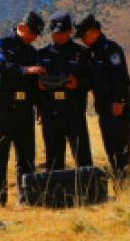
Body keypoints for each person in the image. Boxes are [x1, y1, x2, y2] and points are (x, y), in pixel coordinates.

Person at [0, 11, 45, 207]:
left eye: (36, 35)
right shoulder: (0, 44)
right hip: (2, 108)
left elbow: (35, 83)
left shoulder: (32, 53)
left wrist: (39, 106)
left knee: (26, 158)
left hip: (24, 110)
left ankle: (26, 199)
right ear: (21, 28)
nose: (33, 38)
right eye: (32, 33)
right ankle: (0, 201)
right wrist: (24, 70)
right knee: (0, 156)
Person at [74, 13, 130, 189]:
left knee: (121, 152)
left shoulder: (111, 50)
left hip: (117, 109)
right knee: (111, 151)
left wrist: (119, 101)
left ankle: (127, 189)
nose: (82, 40)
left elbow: (121, 79)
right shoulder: (91, 54)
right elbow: (91, 81)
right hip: (103, 109)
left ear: (95, 32)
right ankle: (119, 187)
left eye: (84, 36)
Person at [37, 12, 93, 171]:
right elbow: (33, 82)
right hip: (50, 114)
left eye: (63, 32)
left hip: (74, 113)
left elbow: (92, 80)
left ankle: (87, 186)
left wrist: (77, 83)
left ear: (70, 31)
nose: (60, 36)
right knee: (53, 159)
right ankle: (57, 187)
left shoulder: (81, 53)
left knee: (82, 157)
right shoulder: (42, 54)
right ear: (51, 32)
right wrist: (39, 86)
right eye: (56, 33)